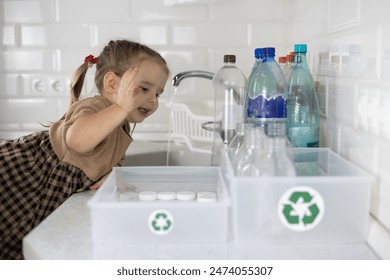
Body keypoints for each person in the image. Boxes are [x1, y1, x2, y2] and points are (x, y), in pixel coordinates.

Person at [0, 40, 170, 259]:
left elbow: (107, 155)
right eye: (145, 88)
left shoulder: (121, 123)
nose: (152, 100)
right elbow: (77, 141)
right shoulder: (97, 106)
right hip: (15, 178)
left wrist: (110, 172)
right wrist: (121, 107)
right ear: (111, 83)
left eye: (158, 93)